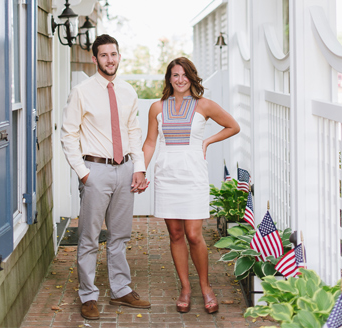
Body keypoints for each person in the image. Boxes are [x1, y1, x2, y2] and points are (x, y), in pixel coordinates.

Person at [61, 34, 151, 321]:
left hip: (124, 169)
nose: (110, 60)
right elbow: (68, 134)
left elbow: (133, 132)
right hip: (95, 170)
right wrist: (84, 174)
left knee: (120, 235)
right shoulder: (82, 91)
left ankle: (120, 289)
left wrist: (139, 167)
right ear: (94, 58)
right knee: (88, 236)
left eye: (114, 54)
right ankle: (88, 295)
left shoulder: (128, 91)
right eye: (104, 55)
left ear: (119, 56)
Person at [142, 57, 240, 314]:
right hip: (166, 176)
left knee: (194, 235)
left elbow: (233, 126)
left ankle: (205, 286)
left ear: (192, 77)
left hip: (193, 176)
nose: (180, 79)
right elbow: (151, 142)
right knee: (175, 234)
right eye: (175, 75)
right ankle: (185, 288)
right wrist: (140, 170)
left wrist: (207, 142)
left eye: (184, 74)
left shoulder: (204, 105)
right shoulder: (157, 108)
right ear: (169, 79)